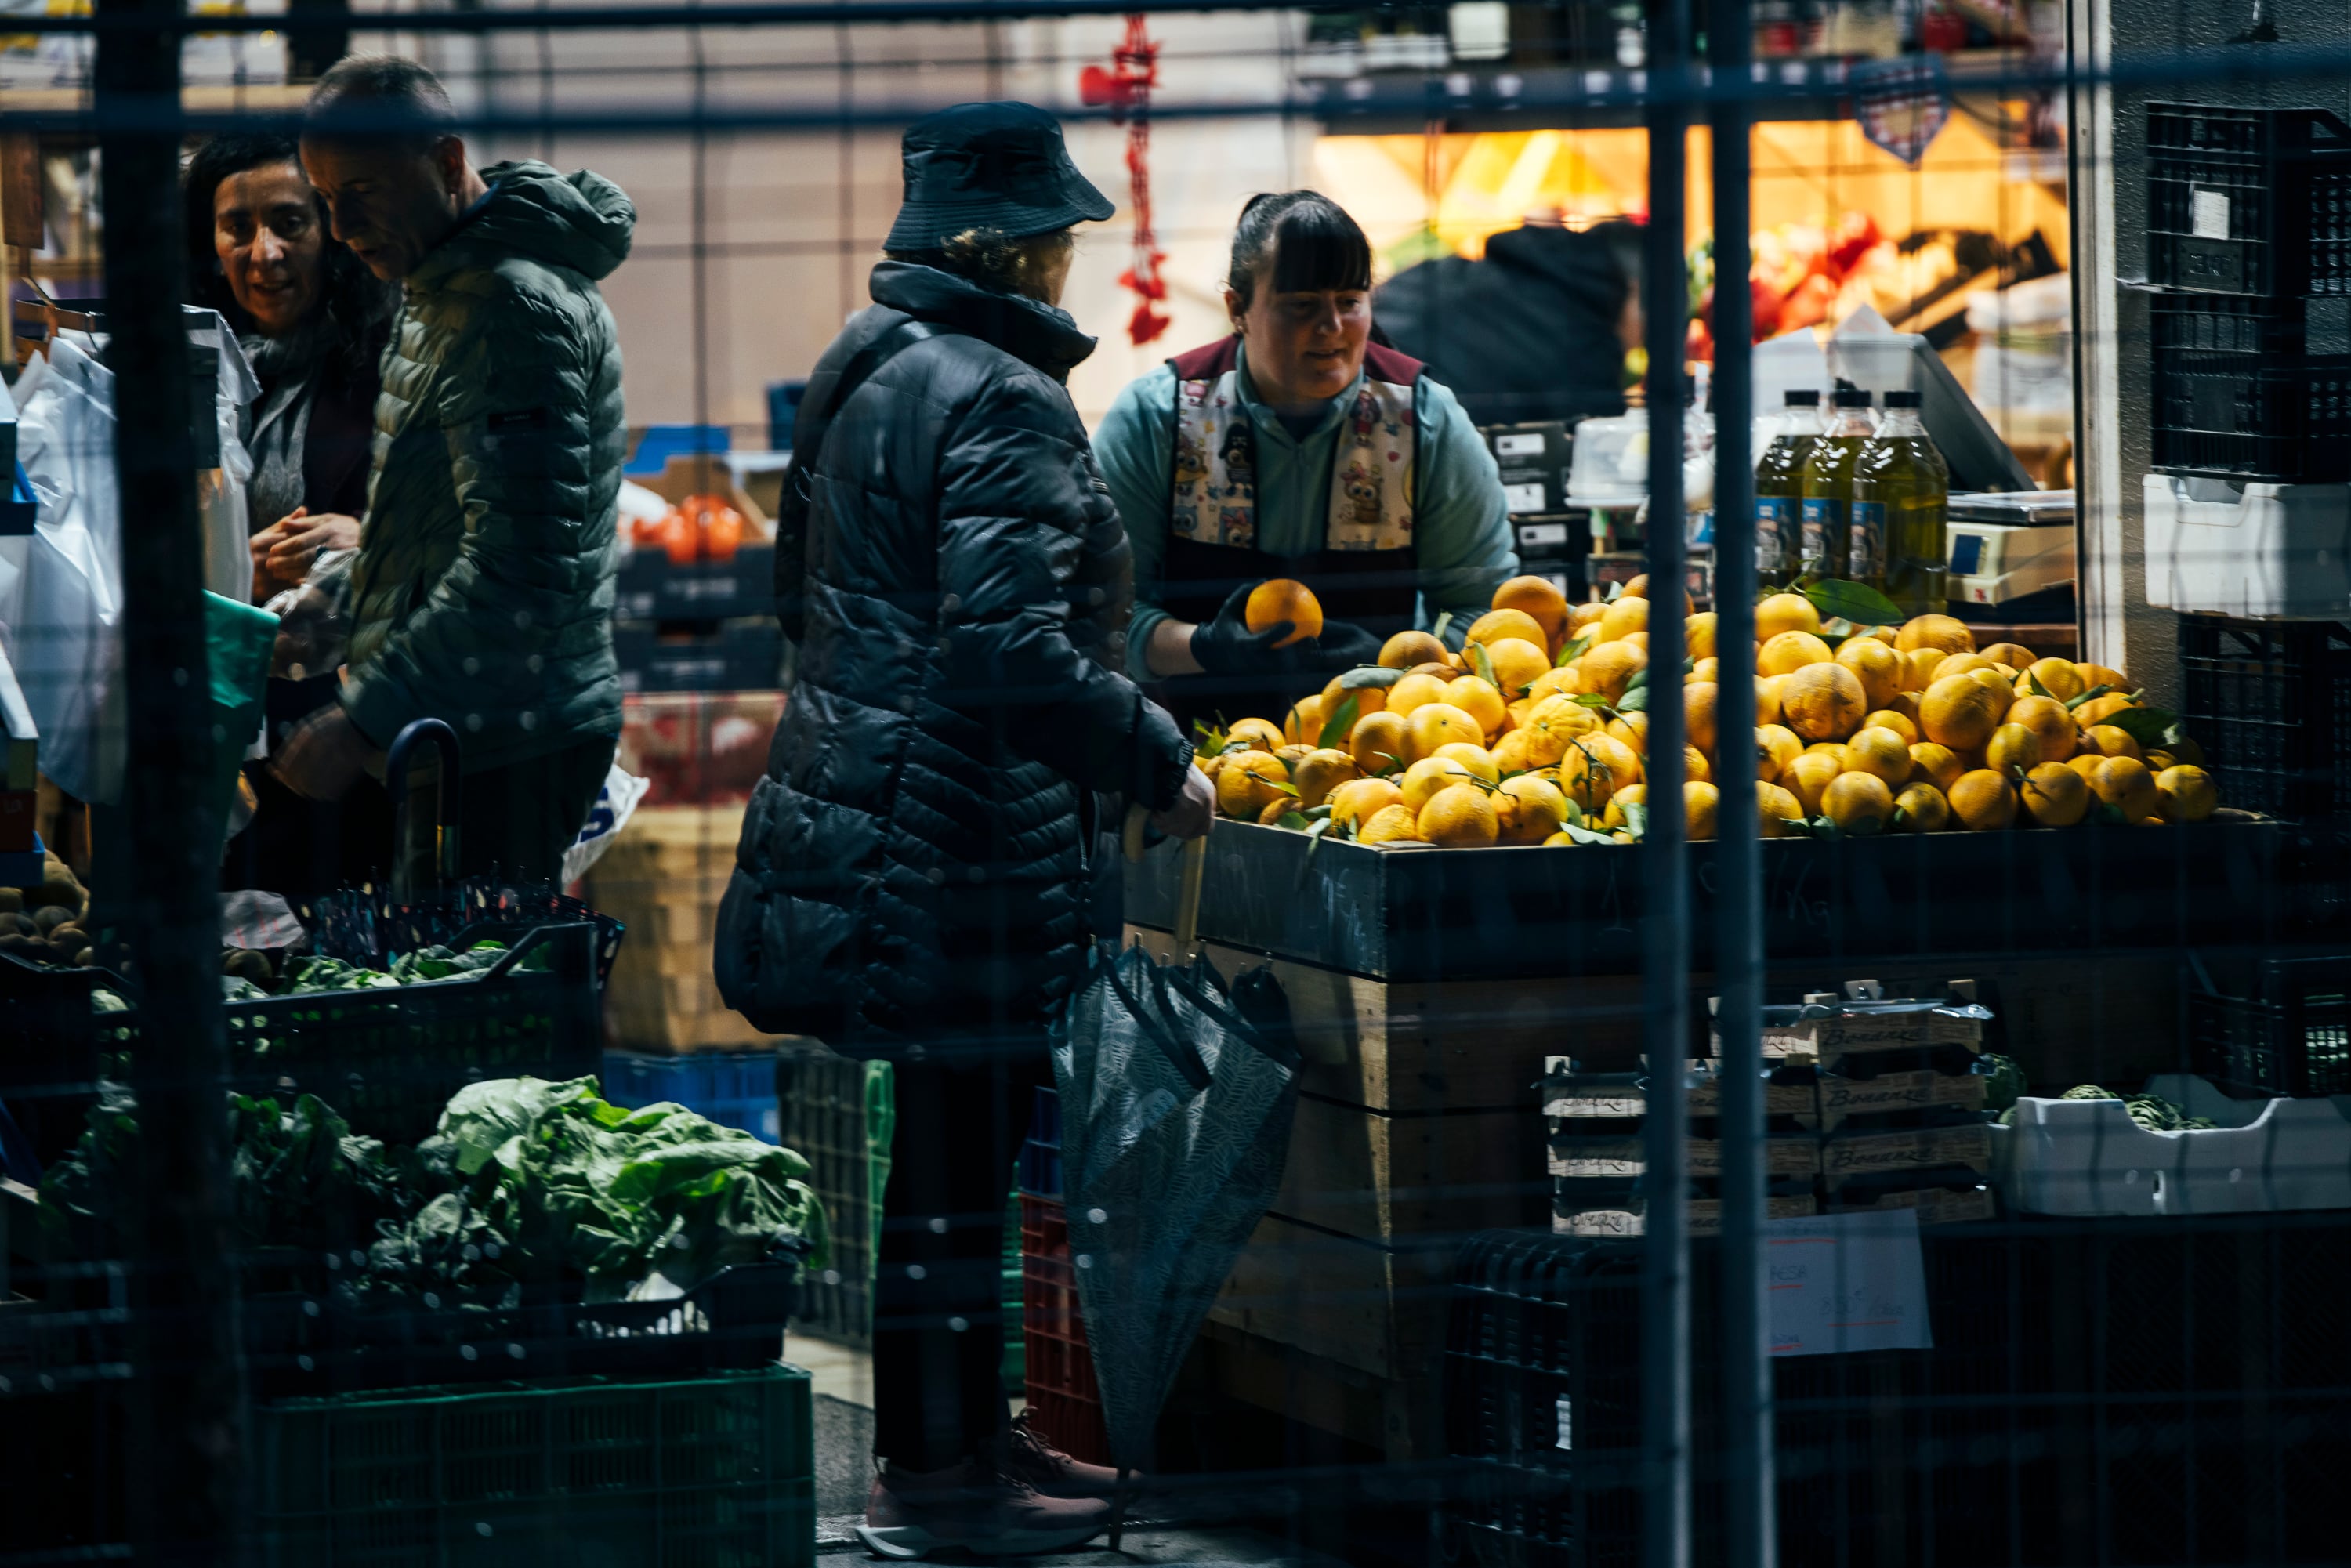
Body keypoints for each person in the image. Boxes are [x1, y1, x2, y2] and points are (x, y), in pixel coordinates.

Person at [712, 102, 1212, 1561]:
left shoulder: (862, 365)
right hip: (962, 846)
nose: (1067, 258)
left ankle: (952, 1439)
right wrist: (1151, 751)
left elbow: (803, 603)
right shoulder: (1000, 394)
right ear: (1012, 246)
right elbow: (1010, 649)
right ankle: (934, 1479)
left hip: (878, 807)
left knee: (942, 1161)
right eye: (1058, 235)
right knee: (954, 1164)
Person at [270, 54, 633, 885]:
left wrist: (362, 718)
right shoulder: (443, 286)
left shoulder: (512, 309)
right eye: (326, 200)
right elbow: (435, 523)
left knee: (486, 997)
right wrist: (330, 606)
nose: (340, 224)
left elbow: (518, 574)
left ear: (442, 163)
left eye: (360, 190)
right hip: (464, 720)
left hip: (514, 733)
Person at [1092, 190, 1518, 732]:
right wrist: (1206, 645)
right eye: (1302, 304)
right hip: (1188, 764)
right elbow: (1106, 620)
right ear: (1237, 309)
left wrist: (1391, 666)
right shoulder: (1157, 417)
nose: (1333, 327)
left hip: (1380, 767)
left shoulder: (1425, 419)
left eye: (1350, 300)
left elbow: (1483, 612)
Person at [187, 131, 400, 895]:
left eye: (290, 223)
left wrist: (366, 540)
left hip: (353, 732)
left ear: (332, 231)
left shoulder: (392, 354)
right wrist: (231, 566)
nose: (263, 252)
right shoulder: (187, 368)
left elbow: (467, 528)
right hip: (227, 729)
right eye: (237, 228)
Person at [1375, 215, 1644, 428]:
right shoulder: (1586, 341)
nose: (1641, 339)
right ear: (1634, 291)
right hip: (1414, 440)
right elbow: (1599, 449)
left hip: (1364, 416)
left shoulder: (1507, 276)